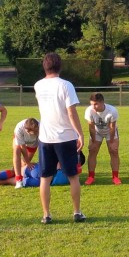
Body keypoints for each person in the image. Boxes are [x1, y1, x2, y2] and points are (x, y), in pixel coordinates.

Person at [34, 52, 85, 224]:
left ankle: (46, 215)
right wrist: (80, 133)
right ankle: (77, 212)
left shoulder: (38, 85)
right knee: (73, 177)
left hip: (45, 138)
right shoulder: (66, 85)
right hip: (65, 137)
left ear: (44, 67)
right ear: (60, 66)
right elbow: (71, 112)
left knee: (45, 178)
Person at [84, 92, 122, 185]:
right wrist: (93, 141)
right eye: (92, 104)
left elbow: (112, 127)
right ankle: (91, 177)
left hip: (110, 132)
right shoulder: (89, 111)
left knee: (113, 151)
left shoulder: (112, 110)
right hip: (96, 132)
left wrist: (112, 141)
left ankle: (115, 176)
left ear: (102, 102)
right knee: (92, 151)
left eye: (95, 104)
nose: (93, 107)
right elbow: (91, 127)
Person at [12, 118, 40, 189]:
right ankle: (18, 180)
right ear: (27, 131)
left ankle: (13, 171)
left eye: (37, 130)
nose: (36, 132)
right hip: (22, 142)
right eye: (34, 132)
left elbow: (43, 146)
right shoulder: (19, 129)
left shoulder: (42, 128)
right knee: (16, 150)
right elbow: (23, 147)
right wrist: (28, 162)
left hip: (33, 144)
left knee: (24, 164)